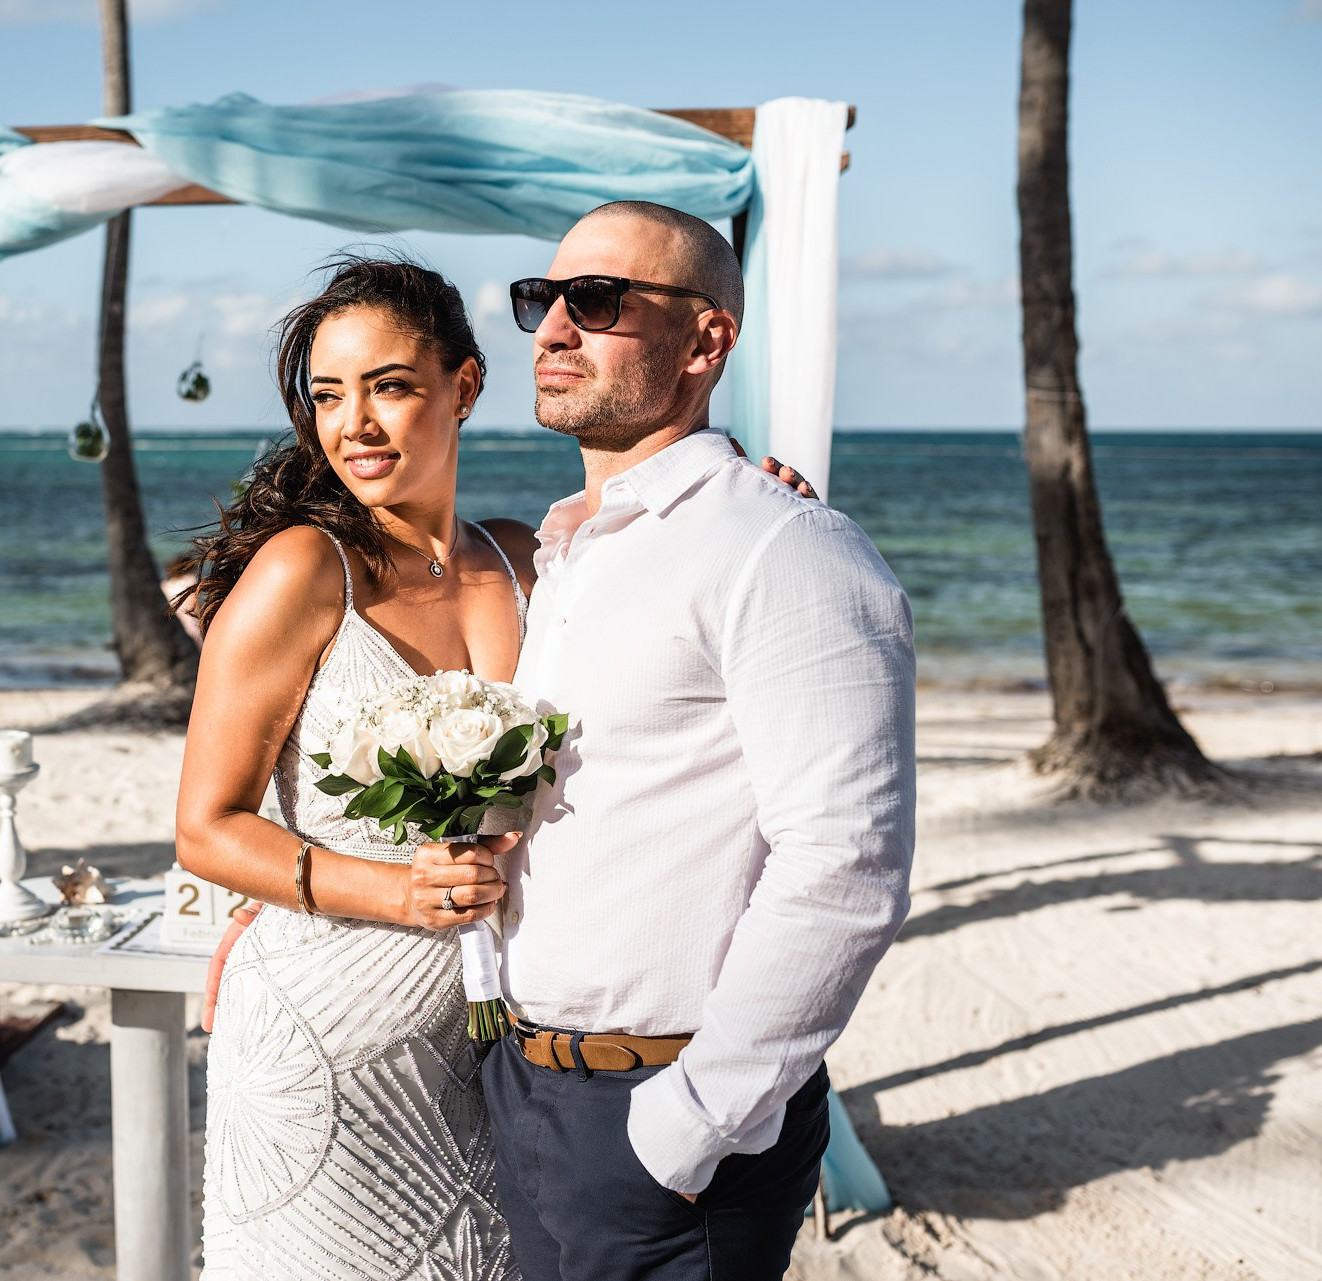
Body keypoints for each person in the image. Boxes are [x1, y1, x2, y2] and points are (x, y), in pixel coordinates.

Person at [171, 255, 818, 1281]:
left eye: (389, 386)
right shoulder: (300, 569)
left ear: (465, 386)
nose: (355, 425)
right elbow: (206, 828)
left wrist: (756, 494)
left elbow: (676, 567)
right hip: (331, 1031)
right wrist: (389, 888)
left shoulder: (533, 559)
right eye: (328, 396)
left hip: (495, 1050)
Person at [478, 202, 916, 1280]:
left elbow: (847, 866)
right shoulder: (569, 551)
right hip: (526, 1087)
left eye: (597, 302)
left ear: (707, 341)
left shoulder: (783, 547)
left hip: (666, 1120)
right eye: (543, 301)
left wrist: (692, 1122)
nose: (552, 331)